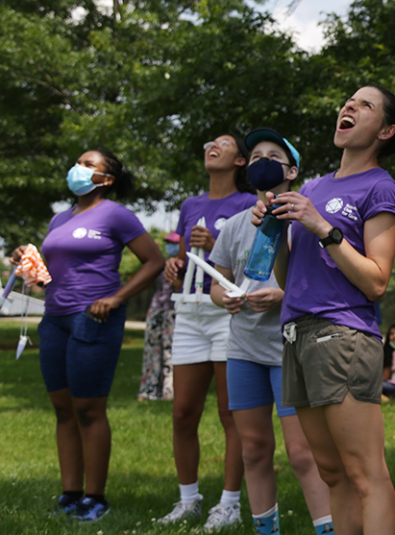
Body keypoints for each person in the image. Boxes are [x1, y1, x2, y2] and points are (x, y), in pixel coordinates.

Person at [254, 85, 395, 535]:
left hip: (342, 335)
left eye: (365, 105)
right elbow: (288, 279)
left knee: (366, 473)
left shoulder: (380, 187)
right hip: (296, 335)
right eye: (348, 101)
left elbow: (376, 280)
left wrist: (321, 225)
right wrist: (273, 228)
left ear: (385, 129)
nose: (349, 107)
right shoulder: (314, 186)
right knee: (332, 473)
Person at [14, 149, 164, 521]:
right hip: (54, 319)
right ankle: (70, 494)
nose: (78, 168)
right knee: (63, 409)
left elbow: (155, 261)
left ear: (106, 179)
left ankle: (95, 498)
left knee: (88, 409)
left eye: (88, 164)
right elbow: (48, 276)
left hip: (93, 319)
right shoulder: (59, 219)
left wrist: (115, 299)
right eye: (78, 162)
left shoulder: (115, 214)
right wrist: (28, 262)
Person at [209, 127, 335, 535]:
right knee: (254, 450)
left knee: (302, 453)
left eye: (273, 156)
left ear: (292, 171)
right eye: (256, 155)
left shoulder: (306, 219)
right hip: (242, 350)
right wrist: (223, 297)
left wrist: (281, 294)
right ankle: (267, 530)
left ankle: (328, 528)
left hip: (289, 349)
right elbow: (217, 281)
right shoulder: (233, 226)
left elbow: (316, 278)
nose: (262, 160)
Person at [160, 133, 258, 529]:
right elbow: (186, 260)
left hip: (227, 313)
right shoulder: (190, 205)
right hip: (190, 313)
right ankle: (188, 501)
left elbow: (254, 257)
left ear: (240, 162)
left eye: (224, 142)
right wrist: (175, 267)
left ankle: (230, 504)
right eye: (209, 143)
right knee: (183, 412)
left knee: (229, 413)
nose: (211, 146)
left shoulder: (248, 203)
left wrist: (217, 241)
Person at [138, 231, 179, 401]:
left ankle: (169, 391)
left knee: (171, 352)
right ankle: (149, 390)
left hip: (174, 310)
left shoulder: (185, 265)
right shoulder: (160, 264)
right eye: (167, 242)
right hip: (156, 309)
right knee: (151, 350)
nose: (169, 246)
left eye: (173, 243)